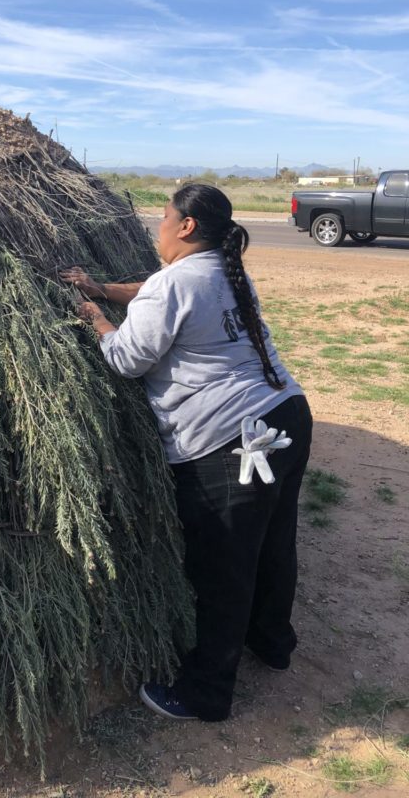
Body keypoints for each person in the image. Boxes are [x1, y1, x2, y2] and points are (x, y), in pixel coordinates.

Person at [60, 183, 312, 723]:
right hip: (286, 414)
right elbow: (154, 292)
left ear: (187, 227)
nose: (158, 229)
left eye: (164, 219)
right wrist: (105, 287)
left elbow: (128, 357)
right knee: (273, 544)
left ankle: (207, 692)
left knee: (223, 565)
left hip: (232, 442)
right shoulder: (226, 272)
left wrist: (96, 320)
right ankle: (272, 643)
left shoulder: (175, 283)